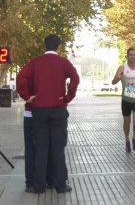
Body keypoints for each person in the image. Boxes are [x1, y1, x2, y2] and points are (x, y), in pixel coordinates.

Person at [17, 34, 79, 193]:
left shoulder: (35, 63)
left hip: (39, 111)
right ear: (59, 47)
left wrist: (27, 97)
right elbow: (75, 78)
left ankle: (38, 185)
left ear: (45, 46)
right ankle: (60, 184)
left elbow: (21, 78)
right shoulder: (63, 62)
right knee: (58, 148)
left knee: (40, 148)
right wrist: (67, 97)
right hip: (58, 109)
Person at [111, 48, 135, 152]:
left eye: (134, 55)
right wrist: (119, 78)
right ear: (127, 56)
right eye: (130, 55)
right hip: (126, 100)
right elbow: (113, 82)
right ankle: (127, 140)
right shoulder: (122, 67)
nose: (132, 56)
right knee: (126, 122)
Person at [22, 80, 54, 190]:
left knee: (30, 150)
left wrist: (26, 96)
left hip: (30, 114)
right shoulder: (50, 70)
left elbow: (21, 80)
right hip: (47, 113)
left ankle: (30, 183)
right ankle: (50, 180)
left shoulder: (30, 70)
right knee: (49, 147)